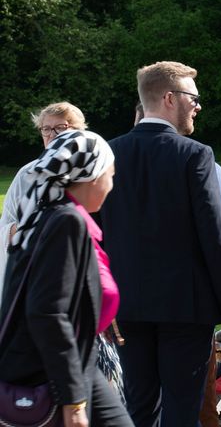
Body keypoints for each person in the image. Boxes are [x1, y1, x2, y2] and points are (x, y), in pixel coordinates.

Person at [100, 61, 221, 426]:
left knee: (138, 405)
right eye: (193, 98)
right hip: (186, 306)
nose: (198, 106)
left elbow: (95, 234)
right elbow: (214, 238)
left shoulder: (109, 153)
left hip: (127, 306)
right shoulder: (194, 155)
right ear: (169, 98)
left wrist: (101, 303)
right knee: (182, 408)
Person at [0, 130, 132, 427]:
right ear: (92, 176)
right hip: (49, 373)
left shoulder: (48, 214)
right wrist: (73, 400)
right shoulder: (65, 222)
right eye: (110, 175)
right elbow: (47, 311)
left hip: (79, 363)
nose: (112, 185)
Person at [0, 102, 87, 302]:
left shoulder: (91, 172)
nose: (52, 134)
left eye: (61, 128)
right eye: (46, 129)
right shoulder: (26, 174)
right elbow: (5, 228)